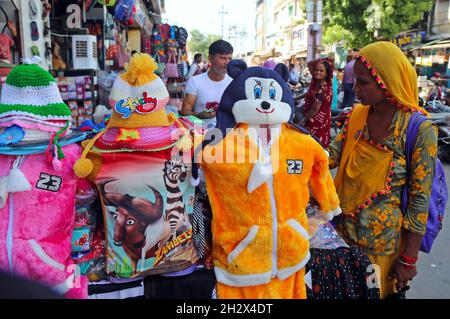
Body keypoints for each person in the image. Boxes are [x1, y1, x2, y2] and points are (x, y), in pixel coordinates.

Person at [328, 41, 438, 298]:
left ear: (386, 81)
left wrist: (409, 259)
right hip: (343, 237)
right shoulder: (357, 116)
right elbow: (333, 155)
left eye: (363, 83)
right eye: (355, 81)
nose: (355, 89)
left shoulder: (419, 130)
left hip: (384, 247)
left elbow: (420, 201)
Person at [181, 40, 233, 128]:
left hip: (227, 134)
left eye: (229, 58)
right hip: (200, 134)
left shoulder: (233, 83)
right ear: (210, 58)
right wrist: (199, 115)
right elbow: (185, 111)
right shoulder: (195, 82)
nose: (227, 62)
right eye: (223, 58)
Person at [301, 57, 334, 148]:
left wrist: (304, 120)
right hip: (319, 120)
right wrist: (326, 59)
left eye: (321, 71)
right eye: (316, 70)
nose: (317, 72)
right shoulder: (318, 83)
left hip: (315, 121)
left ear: (326, 73)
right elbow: (310, 63)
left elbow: (315, 108)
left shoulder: (322, 89)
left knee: (312, 145)